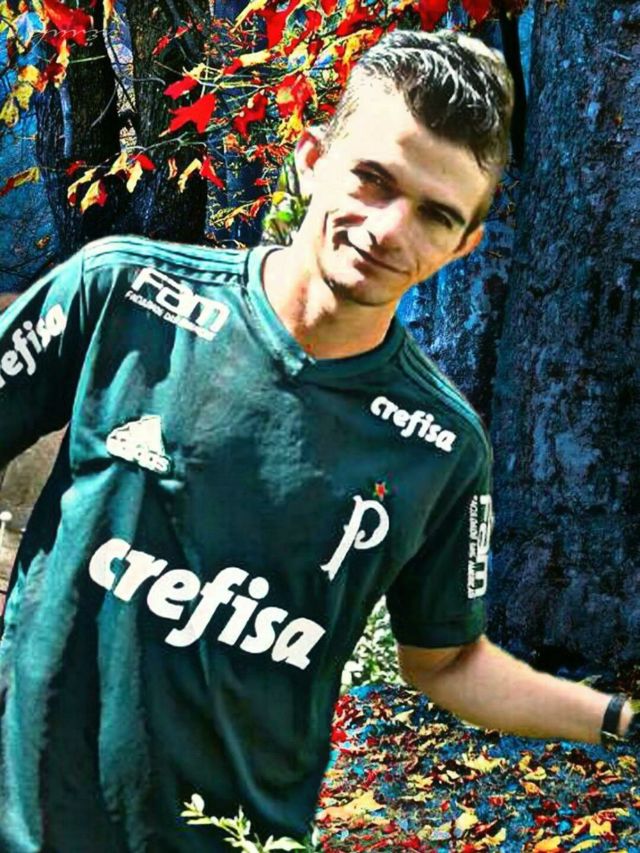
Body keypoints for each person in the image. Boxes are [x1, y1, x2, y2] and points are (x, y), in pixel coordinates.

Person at [0, 29, 637, 853]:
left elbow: (446, 662)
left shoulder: (443, 448)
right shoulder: (124, 291)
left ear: (465, 243)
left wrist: (618, 717)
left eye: (436, 213)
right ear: (312, 160)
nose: (390, 228)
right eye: (374, 178)